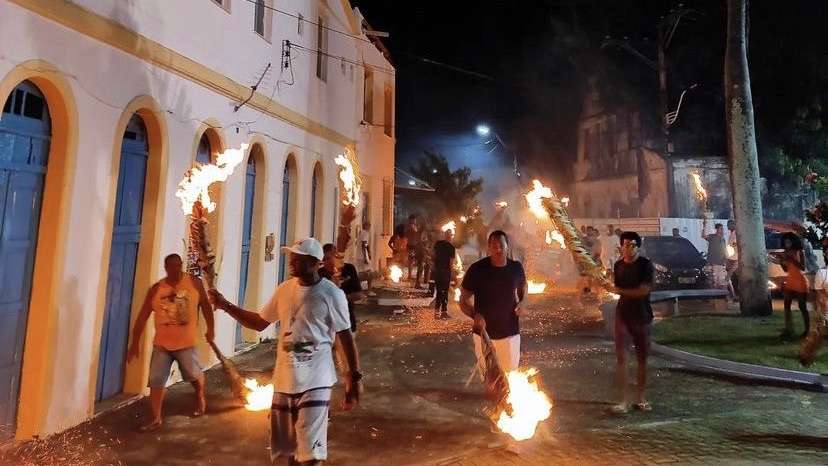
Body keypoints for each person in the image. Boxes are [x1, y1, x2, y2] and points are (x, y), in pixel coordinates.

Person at [209, 238, 361, 465]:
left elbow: (345, 337)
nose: (291, 261)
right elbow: (260, 322)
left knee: (310, 455)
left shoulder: (332, 294)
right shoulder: (284, 290)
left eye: (298, 258)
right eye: (291, 256)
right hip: (284, 383)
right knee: (288, 453)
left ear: (314, 263)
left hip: (316, 381)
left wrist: (353, 377)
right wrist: (225, 305)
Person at [126, 253, 215, 431]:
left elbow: (205, 306)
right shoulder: (157, 289)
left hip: (186, 342)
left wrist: (211, 329)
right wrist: (135, 342)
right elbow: (142, 316)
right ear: (166, 267)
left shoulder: (194, 284)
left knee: (193, 374)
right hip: (162, 344)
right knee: (156, 379)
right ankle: (156, 417)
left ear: (181, 265)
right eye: (170, 266)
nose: (174, 269)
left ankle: (200, 395)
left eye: (177, 266)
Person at [459, 230, 527, 380]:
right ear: (488, 248)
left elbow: (523, 286)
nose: (498, 250)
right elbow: (463, 301)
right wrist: (474, 315)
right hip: (484, 335)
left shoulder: (516, 268)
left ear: (507, 246)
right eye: (494, 246)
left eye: (501, 246)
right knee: (490, 379)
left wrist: (523, 301)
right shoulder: (477, 270)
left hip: (511, 333)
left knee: (510, 376)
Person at [611, 231, 654, 414]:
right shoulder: (618, 265)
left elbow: (643, 291)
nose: (628, 248)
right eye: (625, 245)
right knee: (622, 359)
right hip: (622, 316)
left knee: (642, 359)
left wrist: (618, 290)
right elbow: (616, 287)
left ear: (638, 246)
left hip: (641, 316)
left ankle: (641, 398)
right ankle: (623, 400)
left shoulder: (645, 265)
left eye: (632, 245)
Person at [321, 243, 364, 332]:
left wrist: (340, 298)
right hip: (327, 325)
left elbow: (359, 295)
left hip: (346, 319)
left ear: (336, 256)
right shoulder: (320, 274)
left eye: (329, 258)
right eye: (324, 260)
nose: (327, 262)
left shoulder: (349, 269)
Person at [779, 233, 810, 340]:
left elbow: (802, 267)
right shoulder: (785, 253)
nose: (787, 244)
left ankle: (807, 331)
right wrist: (781, 262)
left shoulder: (799, 252)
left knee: (802, 307)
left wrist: (791, 259)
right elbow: (786, 270)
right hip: (790, 282)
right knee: (786, 306)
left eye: (789, 242)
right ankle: (789, 329)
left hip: (800, 282)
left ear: (794, 242)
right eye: (786, 242)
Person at [432, 228, 456, 319]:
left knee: (438, 291)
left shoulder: (438, 244)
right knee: (445, 291)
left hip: (437, 271)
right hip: (446, 272)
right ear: (450, 237)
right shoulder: (451, 248)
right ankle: (444, 312)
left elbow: (433, 255)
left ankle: (436, 312)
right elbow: (451, 263)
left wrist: (434, 265)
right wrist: (453, 275)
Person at [702, 221, 729, 292]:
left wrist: (725, 260)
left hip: (720, 264)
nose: (722, 230)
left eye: (722, 229)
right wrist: (704, 226)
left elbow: (724, 250)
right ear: (717, 229)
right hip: (712, 263)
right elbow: (703, 236)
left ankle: (721, 297)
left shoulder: (723, 239)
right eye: (721, 229)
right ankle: (711, 296)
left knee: (721, 282)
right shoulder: (712, 236)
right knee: (712, 282)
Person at [405, 215, 424, 287]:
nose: (414, 222)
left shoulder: (415, 227)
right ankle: (410, 276)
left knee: (412, 262)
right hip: (411, 246)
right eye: (413, 220)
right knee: (411, 261)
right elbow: (411, 234)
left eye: (415, 220)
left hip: (415, 246)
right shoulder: (411, 227)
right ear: (410, 220)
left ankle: (411, 277)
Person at [358, 221, 374, 294]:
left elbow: (366, 244)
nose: (370, 228)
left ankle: (362, 289)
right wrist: (366, 256)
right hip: (363, 255)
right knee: (368, 273)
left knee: (364, 273)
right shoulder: (365, 233)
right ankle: (369, 290)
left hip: (361, 255)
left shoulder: (362, 233)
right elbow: (364, 245)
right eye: (369, 226)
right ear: (366, 226)